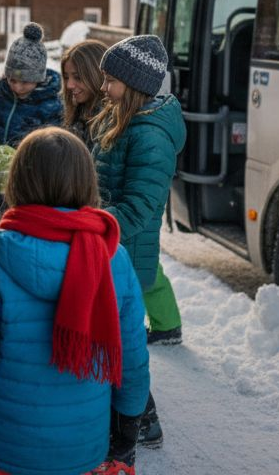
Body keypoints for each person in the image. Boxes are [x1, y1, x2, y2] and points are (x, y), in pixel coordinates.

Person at [0, 127, 151, 475]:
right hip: (83, 446)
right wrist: (129, 419)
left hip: (7, 446)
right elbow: (132, 356)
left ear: (18, 181)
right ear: (86, 181)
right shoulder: (113, 258)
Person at [90, 34, 186, 449]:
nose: (103, 87)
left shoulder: (150, 135)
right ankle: (116, 408)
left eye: (110, 80)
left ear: (134, 86)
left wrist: (95, 224)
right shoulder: (124, 116)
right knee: (112, 338)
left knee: (121, 343)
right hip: (113, 245)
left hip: (124, 250)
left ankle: (143, 419)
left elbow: (141, 205)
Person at [0, 22, 63, 259]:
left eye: (25, 81)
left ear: (38, 77)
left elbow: (53, 153)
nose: (17, 86)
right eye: (12, 79)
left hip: (24, 192)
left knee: (12, 243)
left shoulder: (51, 106)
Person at [61, 39, 109, 147]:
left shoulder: (108, 122)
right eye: (66, 77)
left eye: (77, 77)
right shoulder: (79, 111)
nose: (69, 85)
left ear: (97, 75)